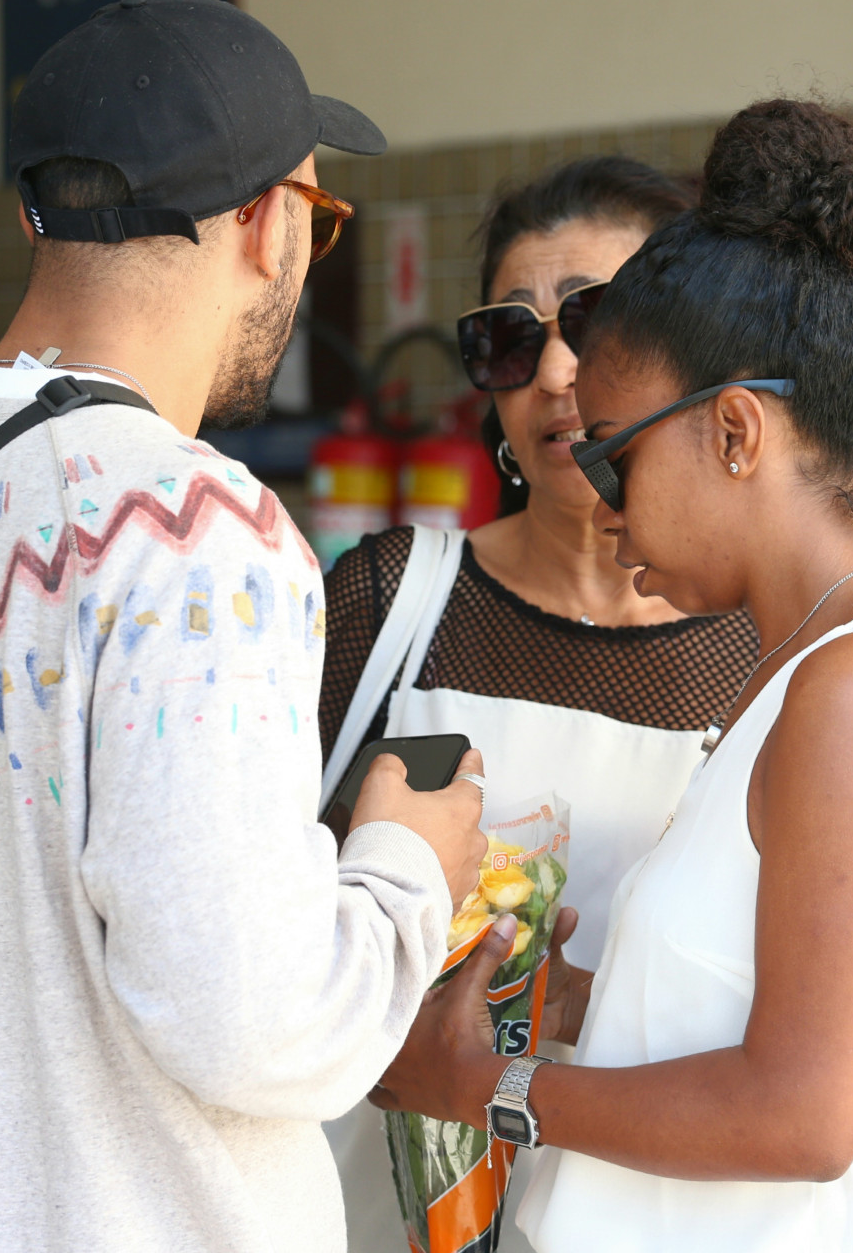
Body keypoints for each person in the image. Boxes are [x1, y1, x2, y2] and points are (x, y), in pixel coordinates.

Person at [0, 0, 485, 1251]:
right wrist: (407, 864)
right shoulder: (198, 534)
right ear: (263, 222)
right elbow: (256, 1016)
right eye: (319, 216)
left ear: (42, 218)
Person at [370, 99, 853, 1252]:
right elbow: (739, 1007)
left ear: (737, 434)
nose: (598, 499)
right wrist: (555, 1002)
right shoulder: (800, 669)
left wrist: (485, 1085)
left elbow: (803, 1114)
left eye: (616, 450)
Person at [317, 158, 760, 1250]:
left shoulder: (771, 654)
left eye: (598, 320)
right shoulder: (392, 602)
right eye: (511, 340)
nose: (557, 369)